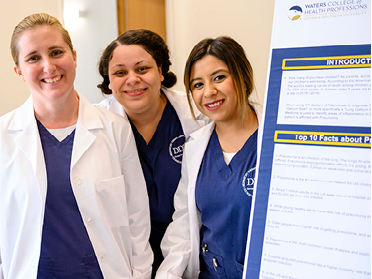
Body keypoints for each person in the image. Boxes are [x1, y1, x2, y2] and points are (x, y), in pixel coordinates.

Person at [0, 13, 152, 279]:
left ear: (74, 57)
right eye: (33, 58)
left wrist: (140, 274)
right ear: (19, 71)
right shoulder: (4, 136)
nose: (48, 66)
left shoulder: (115, 128)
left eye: (56, 52)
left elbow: (136, 217)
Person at [97, 29, 210, 277]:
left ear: (160, 71)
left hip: (191, 252)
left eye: (142, 69)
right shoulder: (96, 129)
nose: (132, 79)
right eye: (119, 72)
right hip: (125, 258)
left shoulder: (197, 116)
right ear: (109, 81)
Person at [156, 36, 260, 279]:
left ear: (243, 76)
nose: (209, 92)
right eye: (198, 84)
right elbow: (184, 223)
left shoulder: (276, 140)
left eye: (219, 78)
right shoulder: (196, 147)